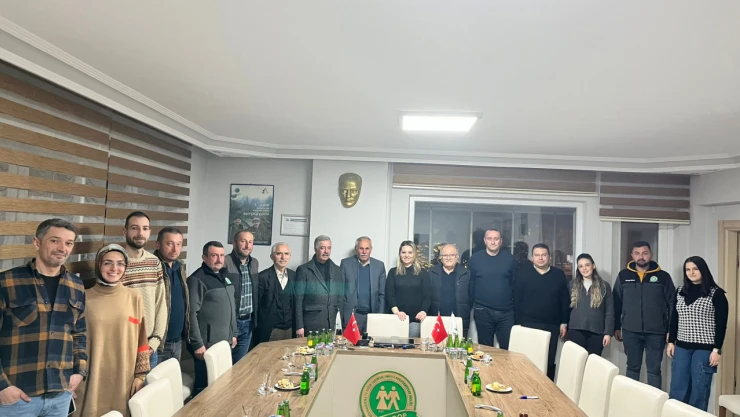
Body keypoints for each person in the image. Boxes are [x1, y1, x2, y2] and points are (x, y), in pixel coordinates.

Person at [0, 219, 86, 415]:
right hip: (17, 397)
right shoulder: (6, 282)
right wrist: (2, 386)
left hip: (60, 395)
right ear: (37, 242)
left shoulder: (76, 285)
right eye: (55, 241)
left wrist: (79, 371)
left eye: (69, 243)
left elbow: (79, 333)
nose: (62, 248)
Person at [75, 244, 149, 417]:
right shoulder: (83, 297)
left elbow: (142, 338)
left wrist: (141, 375)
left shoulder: (134, 297)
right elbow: (73, 341)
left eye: (120, 263)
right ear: (98, 265)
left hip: (123, 379)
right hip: (90, 379)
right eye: (108, 263)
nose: (114, 268)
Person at [667, 256, 728, 411]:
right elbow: (674, 318)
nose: (691, 272)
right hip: (681, 346)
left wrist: (717, 350)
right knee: (677, 387)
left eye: (695, 269)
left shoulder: (716, 294)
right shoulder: (680, 291)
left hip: (704, 349)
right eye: (688, 269)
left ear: (703, 270)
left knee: (699, 389)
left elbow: (721, 324)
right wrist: (671, 342)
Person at [613, 241, 676, 389]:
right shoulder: (623, 276)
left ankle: (655, 402)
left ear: (651, 255)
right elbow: (616, 302)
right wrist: (616, 326)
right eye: (637, 253)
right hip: (630, 331)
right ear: (632, 255)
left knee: (654, 371)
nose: (641, 256)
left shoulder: (663, 277)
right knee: (632, 368)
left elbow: (673, 304)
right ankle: (631, 400)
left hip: (657, 332)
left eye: (645, 253)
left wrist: (670, 330)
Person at [188, 241, 237, 396]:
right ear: (204, 258)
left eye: (221, 255)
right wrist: (197, 343)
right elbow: (191, 313)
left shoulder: (223, 276)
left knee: (222, 386)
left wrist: (233, 333)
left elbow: (231, 307)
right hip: (207, 345)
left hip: (225, 342)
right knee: (204, 390)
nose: (219, 259)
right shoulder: (197, 279)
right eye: (214, 255)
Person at [514, 243, 569, 380]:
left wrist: (564, 322)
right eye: (537, 255)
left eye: (544, 255)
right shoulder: (523, 273)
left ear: (549, 257)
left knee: (549, 361)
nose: (540, 258)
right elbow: (516, 299)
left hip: (552, 325)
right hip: (528, 324)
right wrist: (518, 322)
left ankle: (548, 390)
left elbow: (564, 300)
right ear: (532, 257)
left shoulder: (559, 275)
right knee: (528, 359)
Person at [120, 211, 167, 369]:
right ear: (125, 231)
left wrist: (154, 343)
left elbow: (161, 305)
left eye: (145, 228)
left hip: (149, 348)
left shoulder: (154, 262)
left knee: (148, 386)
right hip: (123, 347)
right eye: (135, 228)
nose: (140, 233)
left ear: (149, 232)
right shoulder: (115, 263)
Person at [468, 228, 517, 349]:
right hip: (482, 310)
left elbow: (515, 284)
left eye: (496, 239)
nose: (493, 242)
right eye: (489, 239)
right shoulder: (475, 259)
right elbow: (471, 284)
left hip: (506, 312)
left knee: (507, 349)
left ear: (501, 241)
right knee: (485, 349)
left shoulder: (510, 260)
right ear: (485, 240)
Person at [295, 236, 343, 336]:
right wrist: (299, 326)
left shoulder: (337, 270)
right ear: (315, 249)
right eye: (322, 248)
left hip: (332, 324)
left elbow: (340, 298)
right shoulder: (303, 270)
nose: (326, 251)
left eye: (329, 248)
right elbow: (298, 300)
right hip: (311, 324)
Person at [154, 226, 189, 363]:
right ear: (158, 244)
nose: (175, 249)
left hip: (177, 340)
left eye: (179, 244)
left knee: (173, 376)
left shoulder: (180, 267)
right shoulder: (152, 267)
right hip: (158, 343)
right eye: (170, 244)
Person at [567, 254, 614, 356]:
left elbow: (609, 311)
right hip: (575, 329)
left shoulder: (604, 286)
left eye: (587, 265)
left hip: (597, 331)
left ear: (593, 266)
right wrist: (564, 325)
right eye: (581, 266)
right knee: (576, 362)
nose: (584, 268)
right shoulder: (572, 284)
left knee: (593, 362)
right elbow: (566, 308)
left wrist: (608, 333)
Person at [224, 231, 259, 364]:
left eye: (250, 242)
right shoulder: (225, 262)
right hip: (230, 323)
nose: (247, 246)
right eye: (243, 241)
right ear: (234, 244)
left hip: (248, 322)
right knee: (225, 364)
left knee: (240, 364)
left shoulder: (254, 263)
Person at [385, 241, 432, 338]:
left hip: (416, 320)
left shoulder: (423, 273)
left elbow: (427, 295)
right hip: (397, 318)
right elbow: (390, 294)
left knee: (414, 346)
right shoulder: (393, 272)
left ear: (414, 254)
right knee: (396, 346)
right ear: (400, 254)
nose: (406, 255)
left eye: (410, 252)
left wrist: (423, 311)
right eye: (403, 252)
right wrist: (397, 312)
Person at [341, 236, 387, 334]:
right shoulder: (345, 264)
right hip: (352, 316)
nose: (364, 252)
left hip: (372, 316)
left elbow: (382, 294)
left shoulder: (379, 266)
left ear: (371, 249)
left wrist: (379, 316)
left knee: (372, 344)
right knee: (349, 343)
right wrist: (342, 316)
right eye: (361, 248)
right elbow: (340, 292)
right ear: (356, 249)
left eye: (367, 248)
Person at [256, 243, 297, 343]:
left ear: (290, 256)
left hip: (290, 329)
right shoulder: (262, 277)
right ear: (272, 256)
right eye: (279, 253)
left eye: (286, 254)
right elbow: (257, 307)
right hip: (269, 330)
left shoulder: (294, 276)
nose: (283, 257)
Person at [428, 244, 470, 335]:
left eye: (452, 255)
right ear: (440, 257)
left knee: (457, 343)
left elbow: (472, 295)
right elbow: (426, 295)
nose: (448, 258)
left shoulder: (466, 273)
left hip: (459, 319)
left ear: (457, 257)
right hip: (437, 320)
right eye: (445, 255)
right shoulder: (432, 273)